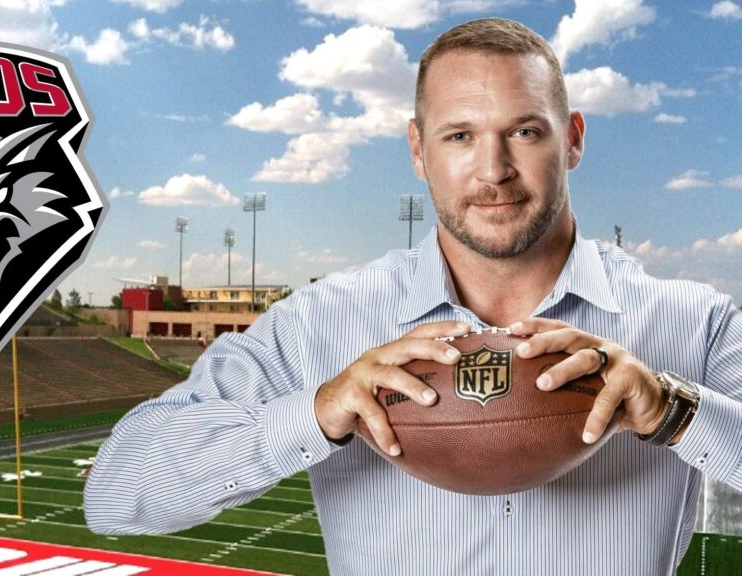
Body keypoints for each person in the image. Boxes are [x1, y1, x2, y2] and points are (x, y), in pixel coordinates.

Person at [84, 18, 742, 575]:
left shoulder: (690, 320)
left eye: (525, 131)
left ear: (572, 138)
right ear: (418, 150)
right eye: (460, 136)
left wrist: (675, 410)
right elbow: (115, 492)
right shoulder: (321, 322)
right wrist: (311, 415)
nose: (493, 171)